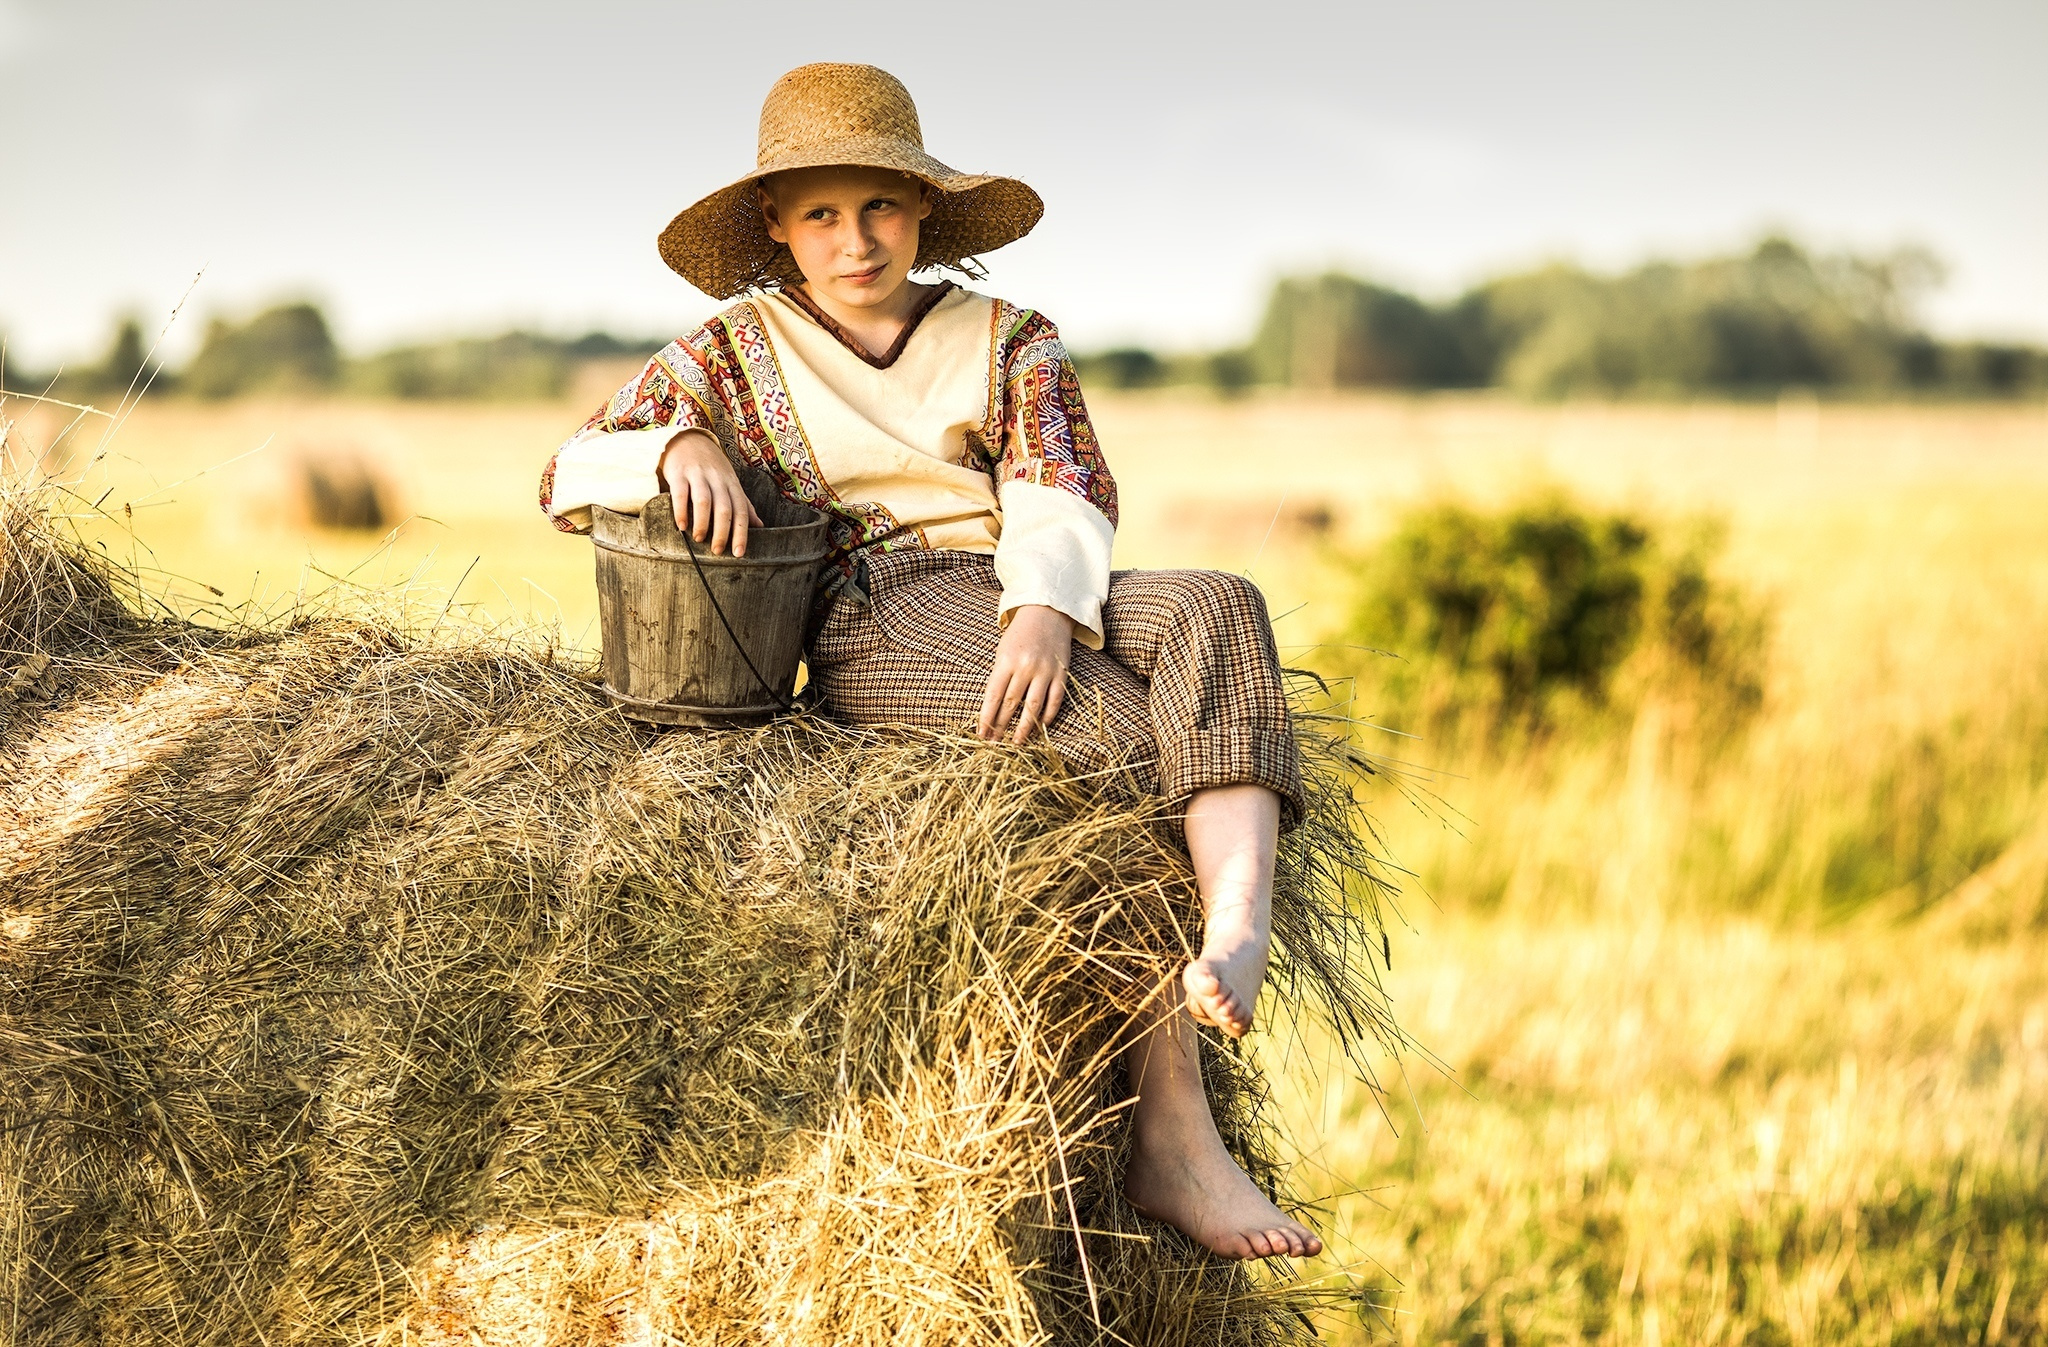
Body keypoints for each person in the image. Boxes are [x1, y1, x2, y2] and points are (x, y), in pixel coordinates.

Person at [540, 63, 1319, 1261]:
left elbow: (1062, 484)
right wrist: (676, 441)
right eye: (819, 214)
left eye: (880, 209)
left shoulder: (1008, 338)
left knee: (1221, 602)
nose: (854, 242)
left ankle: (1236, 918)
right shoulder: (734, 351)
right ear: (775, 227)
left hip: (1025, 580)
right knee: (1113, 744)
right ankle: (1172, 1134)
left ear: (922, 210)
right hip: (877, 605)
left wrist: (1046, 608)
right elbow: (565, 473)